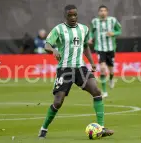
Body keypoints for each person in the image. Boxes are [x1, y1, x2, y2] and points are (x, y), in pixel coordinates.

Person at [38, 5, 114, 139]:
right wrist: (53, 50)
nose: (73, 17)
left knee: (96, 92)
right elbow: (47, 45)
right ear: (65, 16)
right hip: (65, 69)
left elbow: (85, 46)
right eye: (70, 15)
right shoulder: (59, 29)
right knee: (58, 102)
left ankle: (101, 128)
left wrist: (91, 62)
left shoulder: (84, 29)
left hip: (80, 68)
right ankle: (44, 128)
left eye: (75, 15)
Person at [88, 5, 122, 98]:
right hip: (100, 48)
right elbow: (91, 31)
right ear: (98, 12)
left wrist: (113, 33)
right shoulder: (95, 21)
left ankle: (111, 78)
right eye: (101, 11)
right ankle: (104, 91)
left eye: (104, 11)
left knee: (111, 70)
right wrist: (90, 38)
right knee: (102, 69)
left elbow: (119, 30)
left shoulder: (113, 20)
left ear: (107, 12)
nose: (103, 12)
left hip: (110, 48)